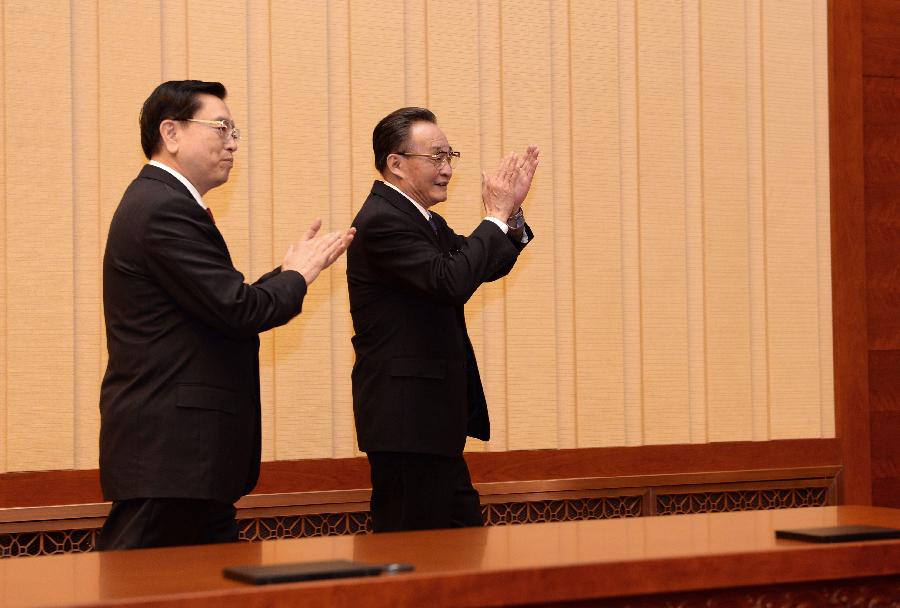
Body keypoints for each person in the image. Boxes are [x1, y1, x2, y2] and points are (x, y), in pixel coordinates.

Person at [98, 80, 354, 550]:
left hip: (186, 461)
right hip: (171, 459)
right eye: (221, 127)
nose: (233, 142)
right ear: (171, 133)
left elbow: (220, 303)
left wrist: (291, 272)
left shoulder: (165, 203)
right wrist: (297, 275)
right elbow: (239, 309)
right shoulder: (162, 208)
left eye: (235, 130)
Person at [347, 107, 539, 532]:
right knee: (413, 558)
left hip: (430, 423)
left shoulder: (422, 220)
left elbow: (479, 264)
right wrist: (493, 214)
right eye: (436, 157)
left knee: (460, 548)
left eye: (450, 156)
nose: (447, 169)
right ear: (396, 163)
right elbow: (451, 280)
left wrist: (511, 213)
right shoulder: (382, 221)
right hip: (406, 422)